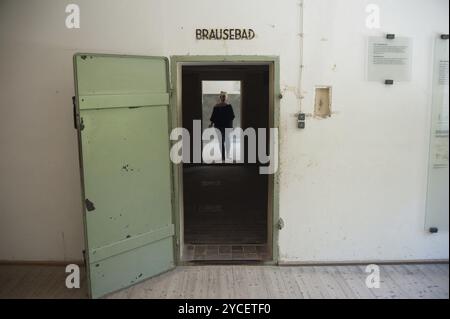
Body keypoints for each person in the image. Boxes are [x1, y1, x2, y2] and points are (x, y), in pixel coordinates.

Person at [209, 91, 235, 161]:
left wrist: (231, 127)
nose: (223, 98)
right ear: (220, 97)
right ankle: (224, 156)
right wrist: (211, 124)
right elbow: (213, 117)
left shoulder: (228, 106)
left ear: (226, 97)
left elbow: (232, 117)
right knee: (222, 141)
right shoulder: (217, 107)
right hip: (221, 126)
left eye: (224, 96)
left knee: (226, 141)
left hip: (225, 126)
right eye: (222, 96)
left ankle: (226, 155)